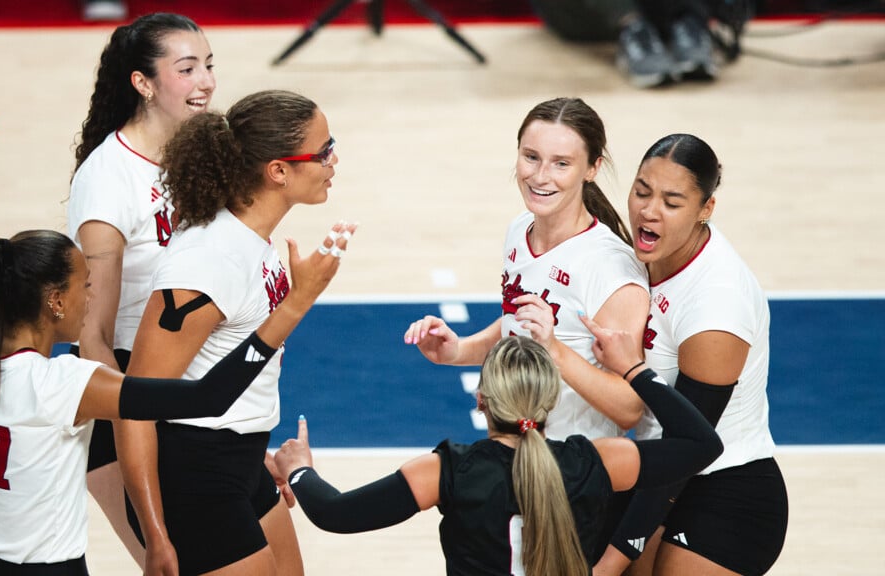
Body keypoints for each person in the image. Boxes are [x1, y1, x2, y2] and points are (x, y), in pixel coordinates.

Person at [0, 107, 346, 575]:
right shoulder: (66, 383)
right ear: (54, 302)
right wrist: (296, 304)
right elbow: (205, 396)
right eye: (85, 286)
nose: (94, 297)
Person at [117, 89, 354, 576]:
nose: (334, 160)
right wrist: (156, 533)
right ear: (278, 171)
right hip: (192, 473)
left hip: (241, 457)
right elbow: (133, 408)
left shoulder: (253, 240)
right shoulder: (207, 260)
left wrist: (249, 442)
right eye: (323, 150)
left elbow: (229, 360)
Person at [274, 323, 722, 575]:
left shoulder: (447, 471)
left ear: (481, 400)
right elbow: (702, 443)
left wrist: (299, 470)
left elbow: (334, 513)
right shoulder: (598, 462)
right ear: (550, 400)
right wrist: (634, 369)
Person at [596, 133, 788, 575]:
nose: (648, 210)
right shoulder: (645, 253)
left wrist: (611, 562)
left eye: (672, 201)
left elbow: (688, 448)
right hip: (652, 470)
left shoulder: (717, 305)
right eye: (641, 191)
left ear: (706, 210)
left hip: (726, 489)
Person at [405, 97, 650, 441]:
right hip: (516, 455)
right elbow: (517, 326)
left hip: (576, 469)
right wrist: (457, 350)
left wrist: (554, 350)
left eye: (561, 163)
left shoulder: (612, 270)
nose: (540, 176)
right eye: (531, 157)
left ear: (592, 168)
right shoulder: (520, 229)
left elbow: (629, 408)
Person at [67, 12, 216, 566]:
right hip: (139, 394)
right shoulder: (108, 180)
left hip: (204, 390)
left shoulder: (202, 153)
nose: (205, 81)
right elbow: (93, 338)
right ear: (142, 83)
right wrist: (139, 435)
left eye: (208, 65)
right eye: (187, 69)